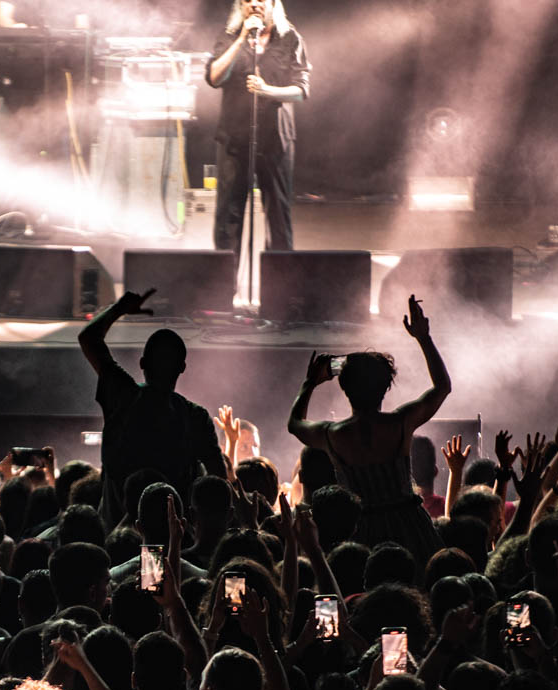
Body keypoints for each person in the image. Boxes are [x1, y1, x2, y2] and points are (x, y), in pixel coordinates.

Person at [288, 297, 450, 559]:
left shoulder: (333, 435)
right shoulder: (400, 423)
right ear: (385, 387)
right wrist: (423, 338)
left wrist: (310, 383)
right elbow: (442, 387)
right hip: (410, 527)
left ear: (345, 388)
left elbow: (294, 424)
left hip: (360, 531)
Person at [78, 291, 227, 531]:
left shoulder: (122, 397)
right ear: (182, 368)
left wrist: (119, 309)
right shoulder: (195, 418)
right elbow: (219, 482)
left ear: (142, 363)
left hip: (116, 538)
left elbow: (88, 339)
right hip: (174, 544)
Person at [206, 0, 310, 256]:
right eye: (246, 0)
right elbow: (213, 77)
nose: (254, 4)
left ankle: (280, 290)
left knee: (278, 216)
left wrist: (268, 91)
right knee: (228, 217)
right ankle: (221, 289)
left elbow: (301, 90)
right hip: (234, 138)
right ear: (239, 7)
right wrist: (242, 38)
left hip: (276, 140)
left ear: (273, 4)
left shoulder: (290, 39)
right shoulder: (229, 36)